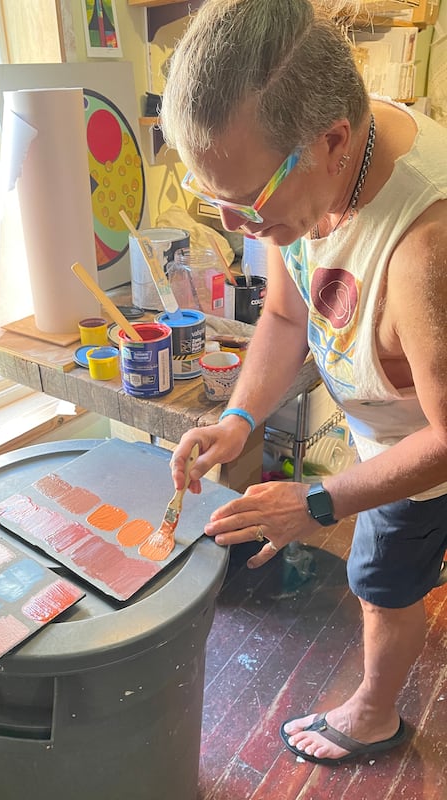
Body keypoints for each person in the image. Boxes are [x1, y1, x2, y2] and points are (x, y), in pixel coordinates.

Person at [159, 0, 447, 767]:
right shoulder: (312, 168)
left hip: (429, 434)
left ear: (332, 142)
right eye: (211, 199)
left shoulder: (424, 247)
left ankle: (376, 714)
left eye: (248, 204)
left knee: (381, 574)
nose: (234, 224)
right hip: (399, 414)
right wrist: (241, 419)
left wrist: (317, 501)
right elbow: (288, 318)